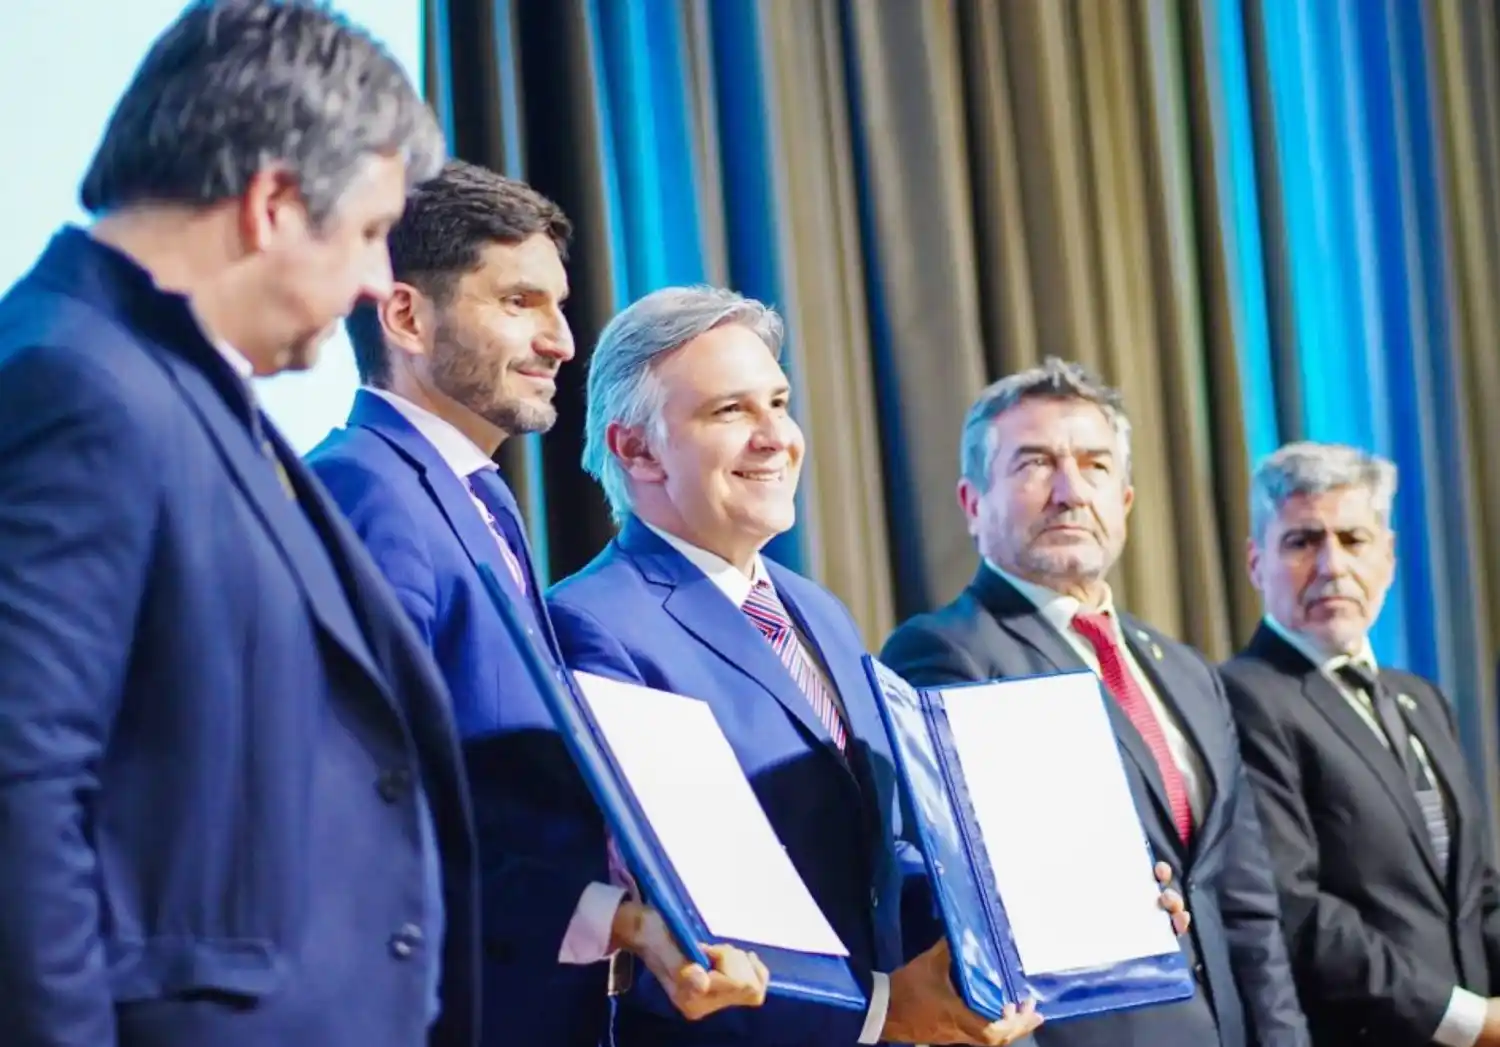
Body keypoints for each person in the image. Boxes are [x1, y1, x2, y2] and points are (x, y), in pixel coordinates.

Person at [0, 3, 480, 1046]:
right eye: (365, 234)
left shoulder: (165, 386)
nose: (371, 282)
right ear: (271, 202)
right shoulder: (74, 381)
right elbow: (20, 787)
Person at [307, 161, 769, 1047]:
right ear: (406, 314)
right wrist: (618, 918)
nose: (562, 339)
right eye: (520, 302)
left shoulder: (479, 496)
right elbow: (376, 811)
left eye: (559, 305)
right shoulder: (367, 491)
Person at [546, 284, 1058, 1047]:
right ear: (636, 448)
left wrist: (1029, 924)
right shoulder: (592, 625)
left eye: (778, 401)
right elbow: (677, 913)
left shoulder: (815, 608)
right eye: (730, 411)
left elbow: (878, 852)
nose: (775, 436)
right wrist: (880, 1010)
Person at [880, 358, 1309, 1047]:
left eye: (1096, 465)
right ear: (971, 502)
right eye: (1034, 463)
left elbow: (1246, 902)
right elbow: (976, 880)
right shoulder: (945, 652)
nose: (1070, 490)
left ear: (1127, 500)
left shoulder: (1189, 671)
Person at [1221, 442, 1500, 1047]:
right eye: (1302, 542)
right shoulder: (1242, 697)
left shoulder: (1420, 699)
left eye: (1353, 540)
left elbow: (1474, 891)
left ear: (1389, 557)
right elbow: (1294, 907)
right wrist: (1467, 1021)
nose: (1332, 566)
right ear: (1254, 563)